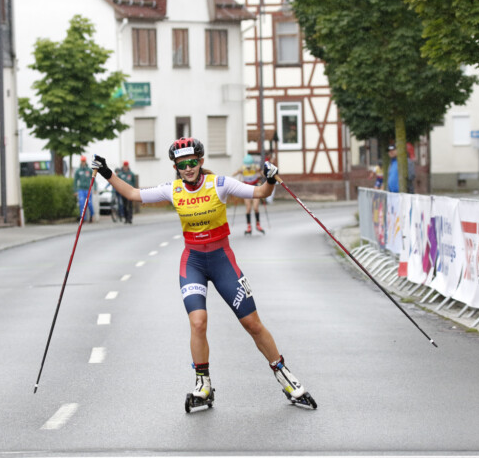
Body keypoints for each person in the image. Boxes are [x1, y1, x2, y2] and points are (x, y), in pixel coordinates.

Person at [91, 137, 316, 410]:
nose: (187, 168)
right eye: (181, 164)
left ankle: (285, 375)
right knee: (198, 322)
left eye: (192, 162)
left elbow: (259, 193)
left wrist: (269, 179)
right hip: (193, 262)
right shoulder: (173, 190)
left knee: (252, 324)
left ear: (201, 161)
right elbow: (133, 194)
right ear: (175, 166)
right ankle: (203, 384)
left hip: (222, 261)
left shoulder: (219, 184)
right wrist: (106, 172)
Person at [233, 154, 265, 234]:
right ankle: (249, 227)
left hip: (255, 188)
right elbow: (233, 174)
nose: (248, 167)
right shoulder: (243, 168)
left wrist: (260, 172)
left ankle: (258, 225)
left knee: (255, 207)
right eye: (247, 166)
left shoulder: (255, 167)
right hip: (246, 189)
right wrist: (238, 172)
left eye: (249, 166)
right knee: (248, 208)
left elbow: (263, 175)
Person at [73, 156, 94, 222]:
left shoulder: (89, 170)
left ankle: (91, 215)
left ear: (86, 161)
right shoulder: (78, 171)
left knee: (89, 203)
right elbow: (75, 181)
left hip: (88, 189)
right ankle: (83, 219)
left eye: (84, 161)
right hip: (81, 189)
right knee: (82, 203)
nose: (83, 162)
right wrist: (75, 190)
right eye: (82, 161)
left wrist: (95, 187)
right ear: (81, 162)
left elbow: (93, 179)